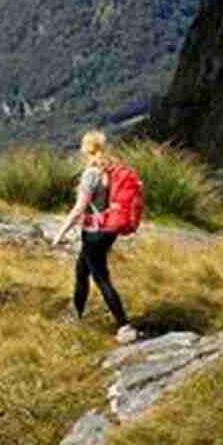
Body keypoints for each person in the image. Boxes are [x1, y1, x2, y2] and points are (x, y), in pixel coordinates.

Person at [52, 130, 138, 344]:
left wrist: (60, 233)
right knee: (82, 271)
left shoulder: (91, 173)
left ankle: (124, 325)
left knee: (100, 278)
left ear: (85, 149)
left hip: (93, 233)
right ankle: (76, 315)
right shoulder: (108, 170)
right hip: (108, 231)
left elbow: (79, 208)